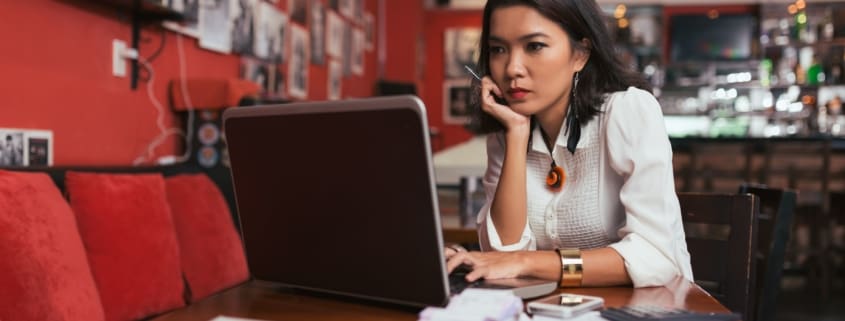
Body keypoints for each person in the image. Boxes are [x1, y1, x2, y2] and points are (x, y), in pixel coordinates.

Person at [445, 0, 693, 288]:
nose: (512, 68)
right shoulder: (506, 135)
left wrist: (529, 262)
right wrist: (516, 133)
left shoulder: (627, 111)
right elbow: (503, 257)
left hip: (650, 308)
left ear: (580, 54)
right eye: (498, 49)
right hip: (560, 309)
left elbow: (655, 257)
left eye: (534, 46)